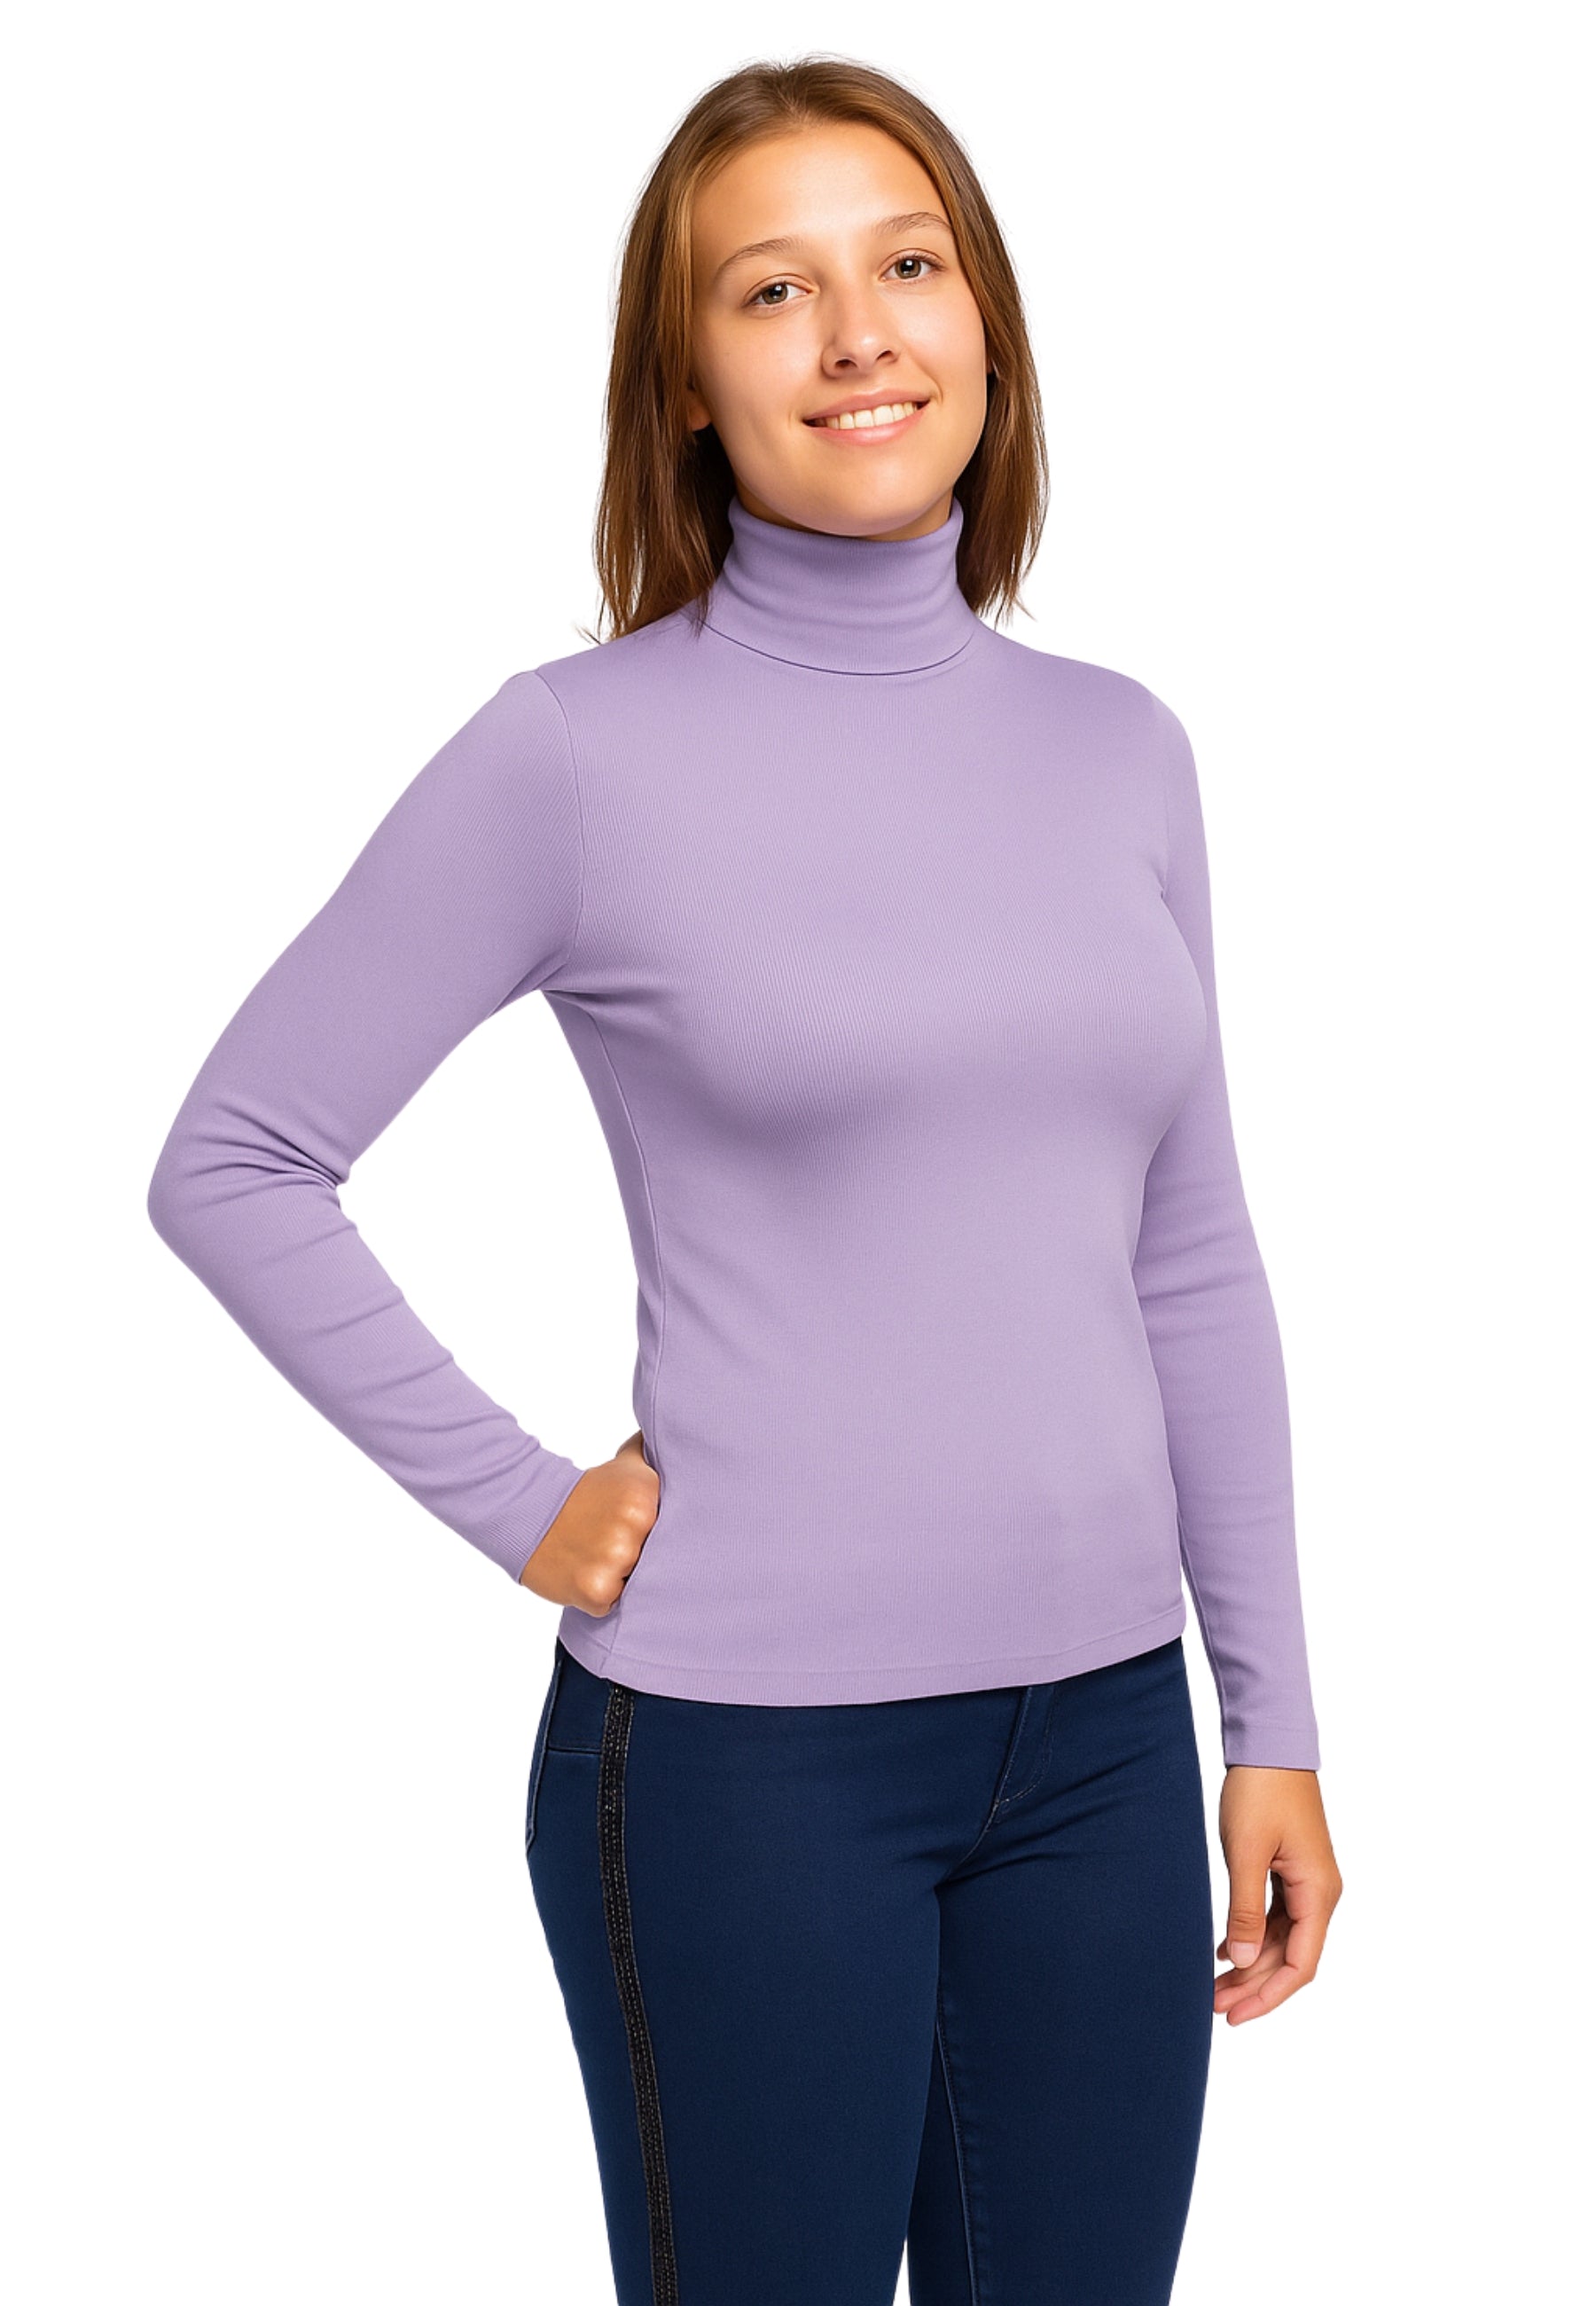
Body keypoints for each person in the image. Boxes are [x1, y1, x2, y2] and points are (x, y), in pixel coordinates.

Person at [146, 54, 1342, 2306]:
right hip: (743, 1769)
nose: (861, 331)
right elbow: (238, 1156)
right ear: (686, 384)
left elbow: (1189, 1254)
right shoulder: (576, 756)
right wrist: (520, 1499)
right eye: (773, 290)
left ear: (986, 320)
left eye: (910, 264)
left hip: (1105, 1743)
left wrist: (1267, 1717)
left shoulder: (1121, 749)